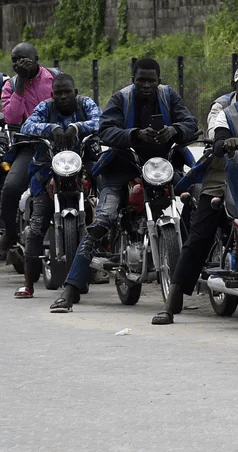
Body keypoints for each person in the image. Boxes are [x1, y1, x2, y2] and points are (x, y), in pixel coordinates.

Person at [50, 58, 197, 312]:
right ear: (133, 80)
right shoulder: (121, 99)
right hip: (121, 168)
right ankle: (70, 290)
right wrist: (134, 135)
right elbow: (105, 130)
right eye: (141, 80)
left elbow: (190, 124)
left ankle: (199, 272)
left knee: (195, 199)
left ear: (159, 81)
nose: (147, 85)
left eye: (152, 80)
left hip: (160, 166)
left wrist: (174, 131)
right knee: (103, 219)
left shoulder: (169, 96)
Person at [151, 63, 238, 325]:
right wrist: (225, 143)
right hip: (224, 170)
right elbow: (217, 139)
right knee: (202, 230)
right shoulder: (223, 109)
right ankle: (173, 299)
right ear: (234, 86)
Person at [13, 74, 101, 299]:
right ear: (52, 95)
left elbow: (101, 120)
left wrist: (76, 127)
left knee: (105, 211)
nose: (62, 96)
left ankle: (106, 259)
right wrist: (51, 128)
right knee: (36, 227)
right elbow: (28, 124)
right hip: (46, 172)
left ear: (75, 92)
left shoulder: (86, 104)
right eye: (58, 93)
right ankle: (28, 284)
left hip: (82, 168)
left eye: (67, 92)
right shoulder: (45, 107)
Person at [0, 42, 57, 262]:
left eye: (24, 58)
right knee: (10, 187)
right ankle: (9, 233)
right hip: (30, 145)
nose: (19, 63)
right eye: (14, 60)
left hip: (60, 144)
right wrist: (20, 83)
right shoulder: (10, 85)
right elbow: (11, 118)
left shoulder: (54, 78)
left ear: (37, 59)